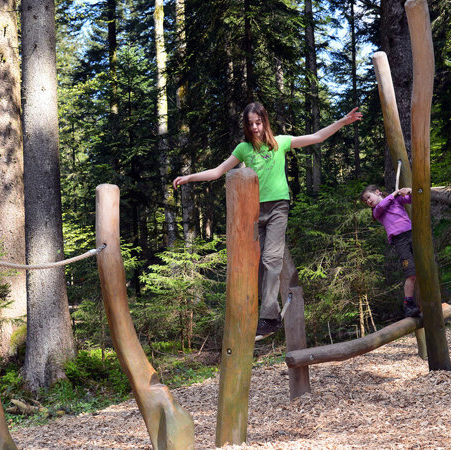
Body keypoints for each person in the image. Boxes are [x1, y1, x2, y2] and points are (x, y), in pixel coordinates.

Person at [173, 102, 362, 340]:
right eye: (250, 124)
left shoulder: (280, 142)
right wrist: (190, 177)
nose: (255, 128)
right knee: (259, 265)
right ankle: (263, 313)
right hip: (254, 211)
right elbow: (218, 171)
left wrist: (343, 121)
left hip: (278, 208)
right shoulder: (244, 148)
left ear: (265, 121)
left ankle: (270, 317)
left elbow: (316, 137)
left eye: (258, 123)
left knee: (272, 259)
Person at [359, 185, 421, 318]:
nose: (368, 202)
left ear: (377, 192)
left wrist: (409, 191)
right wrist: (395, 193)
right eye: (366, 201)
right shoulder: (377, 210)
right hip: (400, 241)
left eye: (368, 197)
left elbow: (413, 199)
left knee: (424, 267)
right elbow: (382, 205)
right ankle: (408, 305)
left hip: (412, 234)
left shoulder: (396, 200)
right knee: (411, 273)